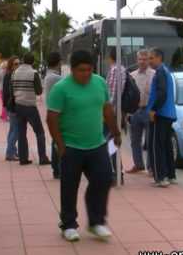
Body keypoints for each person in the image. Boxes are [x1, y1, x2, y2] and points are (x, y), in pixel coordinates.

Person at [46, 50, 121, 242]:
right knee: (69, 186)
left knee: (103, 180)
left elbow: (106, 109)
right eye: (81, 70)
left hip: (97, 144)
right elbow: (51, 119)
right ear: (72, 70)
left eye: (89, 70)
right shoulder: (61, 89)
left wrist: (116, 132)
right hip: (71, 146)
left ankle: (96, 222)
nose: (86, 74)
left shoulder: (99, 82)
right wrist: (60, 145)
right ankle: (69, 225)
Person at [146, 47, 178, 188]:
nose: (149, 61)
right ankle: (170, 175)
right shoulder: (166, 71)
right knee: (166, 145)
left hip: (161, 114)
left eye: (151, 58)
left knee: (156, 146)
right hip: (168, 113)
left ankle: (160, 176)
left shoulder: (160, 73)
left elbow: (162, 93)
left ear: (159, 58)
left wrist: (153, 109)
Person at [11, 52, 51, 165]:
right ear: (33, 62)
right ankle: (43, 157)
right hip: (30, 106)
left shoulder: (15, 72)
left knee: (21, 133)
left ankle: (23, 159)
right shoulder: (33, 73)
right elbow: (39, 91)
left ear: (23, 60)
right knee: (40, 132)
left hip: (18, 105)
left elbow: (11, 89)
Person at [127, 49, 155, 174]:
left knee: (150, 141)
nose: (142, 61)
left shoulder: (154, 74)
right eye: (140, 59)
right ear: (137, 60)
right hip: (135, 111)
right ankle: (138, 165)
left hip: (149, 110)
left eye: (145, 59)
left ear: (149, 60)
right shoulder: (132, 75)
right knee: (134, 141)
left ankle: (151, 167)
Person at [105, 47, 126, 186]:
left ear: (110, 57)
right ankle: (118, 172)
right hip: (119, 111)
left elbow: (111, 95)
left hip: (112, 113)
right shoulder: (123, 69)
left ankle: (116, 173)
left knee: (110, 142)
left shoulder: (114, 70)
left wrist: (105, 111)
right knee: (113, 142)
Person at [44, 51, 63, 179]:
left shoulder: (48, 75)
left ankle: (56, 168)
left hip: (52, 111)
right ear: (58, 63)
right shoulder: (56, 78)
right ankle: (59, 168)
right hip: (59, 112)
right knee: (59, 140)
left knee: (55, 139)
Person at [3, 56, 21, 161]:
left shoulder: (11, 75)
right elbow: (6, 93)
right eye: (15, 64)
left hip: (11, 106)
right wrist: (7, 105)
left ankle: (12, 150)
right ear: (11, 65)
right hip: (13, 106)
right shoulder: (10, 75)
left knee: (12, 130)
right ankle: (10, 153)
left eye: (19, 64)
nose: (18, 66)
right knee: (16, 130)